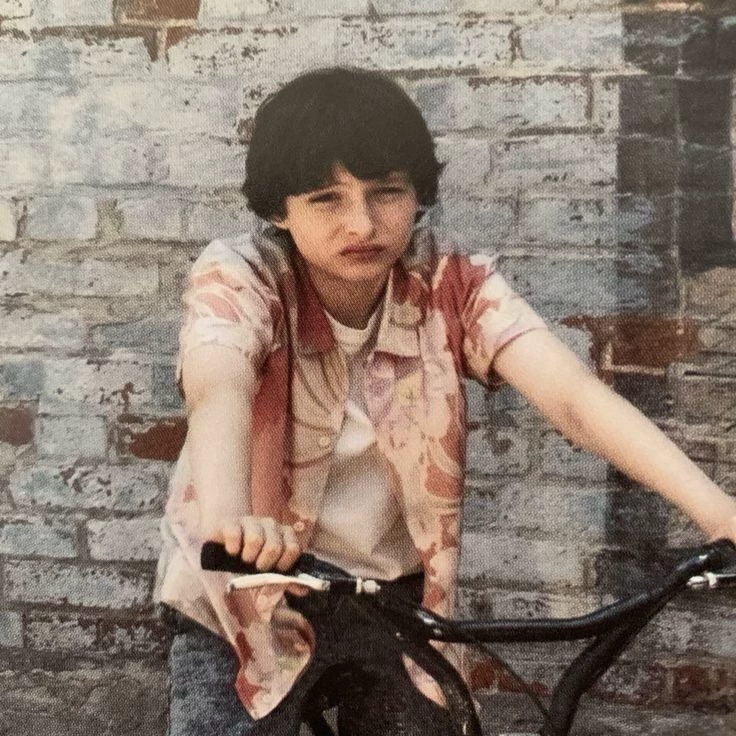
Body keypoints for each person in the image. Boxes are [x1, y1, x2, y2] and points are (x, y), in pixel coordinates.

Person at [155, 66, 736, 735]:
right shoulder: (244, 276)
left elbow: (573, 398)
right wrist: (233, 525)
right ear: (279, 210)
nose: (362, 222)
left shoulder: (449, 280)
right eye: (326, 199)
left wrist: (718, 510)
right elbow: (219, 383)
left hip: (389, 598)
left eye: (386, 192)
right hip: (247, 591)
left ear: (417, 193)